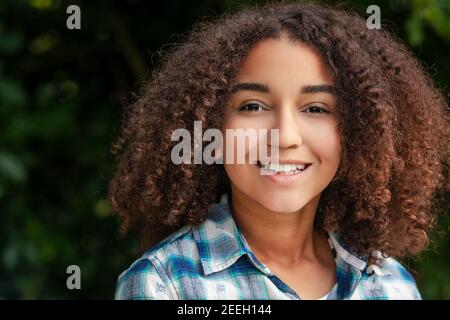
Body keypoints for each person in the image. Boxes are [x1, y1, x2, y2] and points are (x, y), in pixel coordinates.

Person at [108, 2, 450, 300]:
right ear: (212, 127)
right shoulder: (164, 285)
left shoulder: (391, 285)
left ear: (361, 132)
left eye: (316, 108)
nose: (284, 137)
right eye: (253, 106)